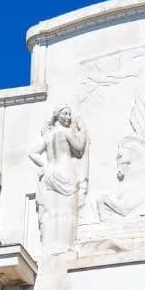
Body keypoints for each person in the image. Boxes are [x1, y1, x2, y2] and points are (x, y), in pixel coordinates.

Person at [29, 105, 88, 252]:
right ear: (58, 116)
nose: (68, 117)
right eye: (65, 114)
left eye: (69, 114)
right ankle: (67, 245)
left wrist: (46, 165)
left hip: (50, 173)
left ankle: (51, 245)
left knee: (52, 211)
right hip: (66, 172)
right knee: (68, 211)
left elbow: (33, 153)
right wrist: (83, 130)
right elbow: (79, 148)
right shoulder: (66, 132)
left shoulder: (48, 135)